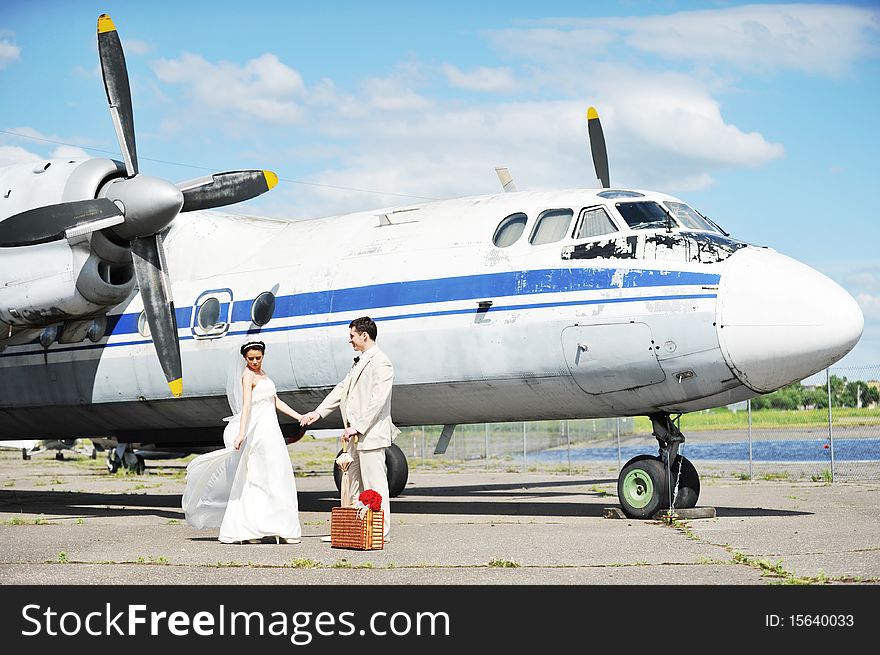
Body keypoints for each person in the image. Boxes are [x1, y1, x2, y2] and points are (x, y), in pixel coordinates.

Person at [183, 340, 303, 544]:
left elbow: (275, 401)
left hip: (272, 430)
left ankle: (282, 527)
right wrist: (240, 434)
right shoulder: (247, 376)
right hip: (258, 431)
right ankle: (249, 529)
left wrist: (299, 416)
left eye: (258, 358)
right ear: (245, 359)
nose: (255, 362)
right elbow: (246, 406)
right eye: (251, 359)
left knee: (277, 475)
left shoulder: (264, 375)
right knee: (256, 477)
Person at [301, 316, 399, 541]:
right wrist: (318, 412)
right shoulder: (361, 361)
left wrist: (358, 426)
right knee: (352, 484)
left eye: (352, 336)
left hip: (370, 435)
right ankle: (353, 530)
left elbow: (378, 400)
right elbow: (342, 388)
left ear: (364, 335)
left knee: (375, 484)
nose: (350, 340)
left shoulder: (381, 362)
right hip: (355, 435)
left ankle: (380, 531)